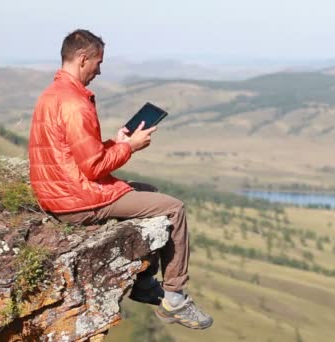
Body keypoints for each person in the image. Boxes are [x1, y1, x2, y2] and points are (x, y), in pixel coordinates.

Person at [28, 29, 213, 330]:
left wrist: (115, 142)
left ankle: (142, 282)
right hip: (77, 200)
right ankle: (175, 298)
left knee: (148, 192)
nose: (99, 70)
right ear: (83, 58)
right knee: (174, 208)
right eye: (98, 63)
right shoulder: (75, 103)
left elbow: (75, 156)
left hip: (59, 192)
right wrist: (131, 146)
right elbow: (93, 168)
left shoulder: (52, 95)